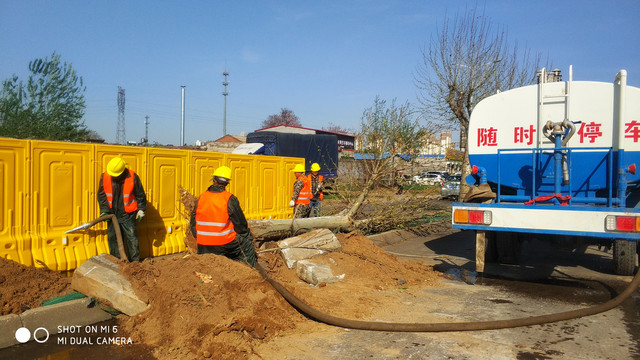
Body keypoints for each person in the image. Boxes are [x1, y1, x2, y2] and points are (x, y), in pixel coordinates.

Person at [189, 166, 257, 267]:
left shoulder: (202, 197)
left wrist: (199, 237)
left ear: (214, 181)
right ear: (227, 183)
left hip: (203, 243)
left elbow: (193, 221)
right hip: (223, 242)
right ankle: (248, 273)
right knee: (247, 246)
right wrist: (247, 236)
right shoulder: (229, 198)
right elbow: (240, 223)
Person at [97, 157, 147, 261]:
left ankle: (135, 264)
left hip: (128, 214)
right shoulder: (105, 176)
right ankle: (116, 262)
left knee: (132, 237)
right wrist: (104, 210)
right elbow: (101, 195)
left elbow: (140, 194)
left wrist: (141, 209)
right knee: (113, 238)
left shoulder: (132, 176)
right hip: (112, 213)